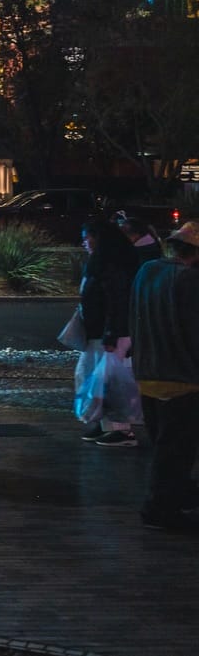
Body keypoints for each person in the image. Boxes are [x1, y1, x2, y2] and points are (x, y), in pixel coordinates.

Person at [130, 221, 199, 532]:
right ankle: (160, 508)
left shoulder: (148, 271)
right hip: (182, 378)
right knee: (175, 451)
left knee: (165, 444)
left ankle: (179, 495)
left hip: (149, 373)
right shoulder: (189, 279)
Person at [75, 216, 142, 446]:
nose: (84, 242)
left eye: (87, 237)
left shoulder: (110, 266)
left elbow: (116, 301)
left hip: (110, 333)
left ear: (98, 238)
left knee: (108, 381)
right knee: (95, 377)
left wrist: (112, 332)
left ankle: (121, 429)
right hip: (100, 332)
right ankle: (107, 424)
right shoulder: (102, 262)